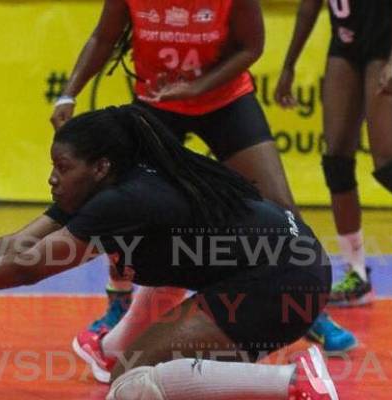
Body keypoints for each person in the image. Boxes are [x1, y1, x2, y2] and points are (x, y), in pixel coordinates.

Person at [0, 106, 338, 400]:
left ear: (100, 167)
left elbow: (26, 267)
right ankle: (280, 384)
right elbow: (15, 244)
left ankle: (293, 382)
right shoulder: (107, 187)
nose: (53, 178)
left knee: (131, 383)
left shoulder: (124, 200)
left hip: (281, 281)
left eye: (62, 167)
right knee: (146, 367)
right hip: (288, 265)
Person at [50, 0, 354, 352]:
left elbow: (251, 47)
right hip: (156, 102)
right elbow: (103, 38)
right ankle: (118, 304)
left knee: (279, 203)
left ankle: (309, 309)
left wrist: (198, 87)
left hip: (224, 100)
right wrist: (67, 94)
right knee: (119, 203)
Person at [275, 0, 392, 307]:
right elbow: (308, 8)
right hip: (345, 43)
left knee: (390, 166)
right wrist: (288, 65)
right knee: (336, 162)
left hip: (385, 43)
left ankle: (357, 275)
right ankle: (356, 276)